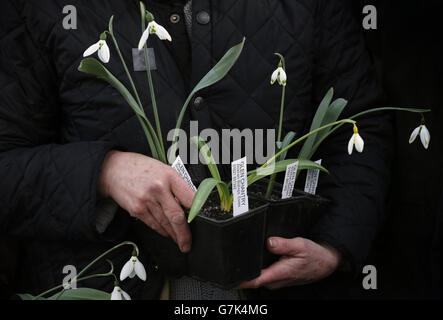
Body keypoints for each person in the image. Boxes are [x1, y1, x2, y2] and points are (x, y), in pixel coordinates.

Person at [0, 0, 393, 299]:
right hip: (108, 281)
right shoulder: (46, 9)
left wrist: (333, 243)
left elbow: (362, 125)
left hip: (269, 288)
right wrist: (104, 172)